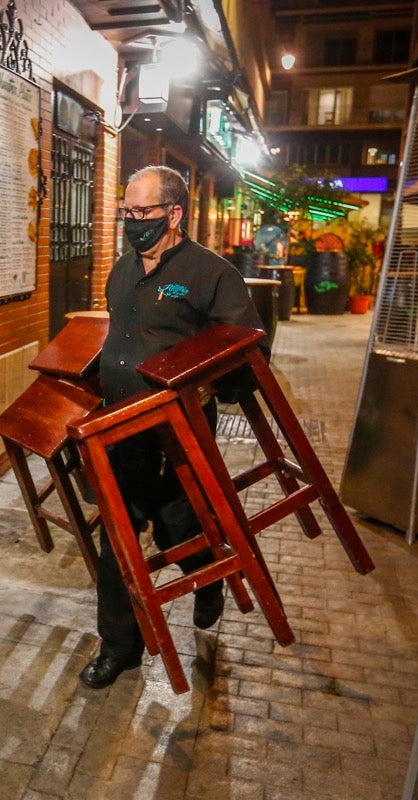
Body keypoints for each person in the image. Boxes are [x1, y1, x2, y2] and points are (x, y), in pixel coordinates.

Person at [80, 165, 269, 690]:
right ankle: (120, 647)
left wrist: (211, 385)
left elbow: (250, 349)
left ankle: (207, 580)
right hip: (118, 431)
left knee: (179, 531)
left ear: (174, 213)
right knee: (118, 540)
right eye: (126, 212)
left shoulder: (211, 273)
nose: (131, 221)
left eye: (142, 212)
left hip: (176, 437)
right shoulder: (121, 270)